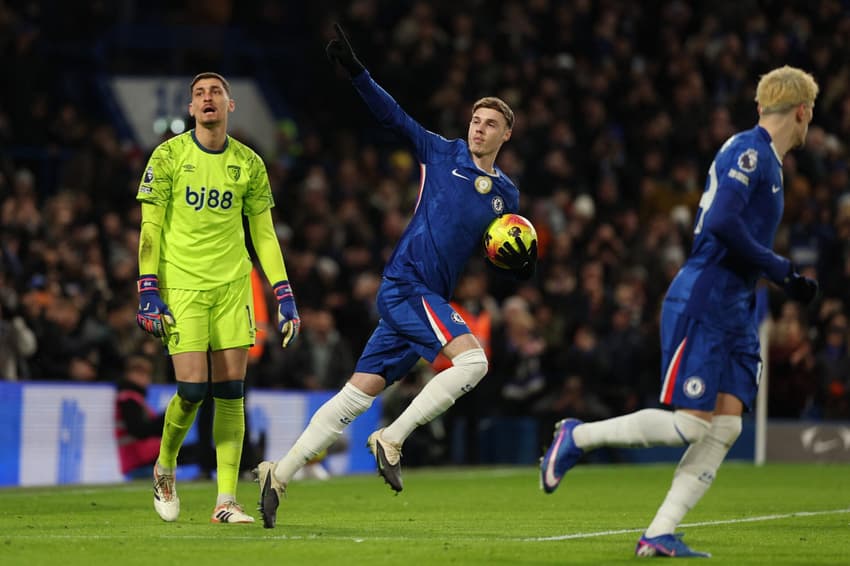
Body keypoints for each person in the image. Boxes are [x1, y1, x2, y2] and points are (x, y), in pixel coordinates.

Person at [253, 24, 537, 529]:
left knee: (354, 397)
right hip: (407, 286)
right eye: (475, 119)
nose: (479, 128)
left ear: (507, 135)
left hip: (425, 298)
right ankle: (393, 437)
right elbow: (392, 115)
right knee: (473, 362)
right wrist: (357, 71)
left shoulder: (506, 197)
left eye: (490, 123)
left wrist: (518, 264)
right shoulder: (438, 152)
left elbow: (496, 250)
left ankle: (279, 473)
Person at [540, 65, 820, 558]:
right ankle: (577, 435)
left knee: (728, 424)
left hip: (737, 306)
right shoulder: (749, 151)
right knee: (691, 423)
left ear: (762, 105)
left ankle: (659, 532)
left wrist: (776, 278)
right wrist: (781, 270)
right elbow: (721, 221)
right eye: (810, 114)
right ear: (803, 111)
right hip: (706, 296)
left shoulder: (771, 164)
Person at [135, 72, 300, 524]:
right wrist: (147, 286)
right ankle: (165, 464)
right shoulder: (168, 156)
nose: (207, 99)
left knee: (231, 393)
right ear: (191, 109)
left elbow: (263, 234)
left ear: (230, 106)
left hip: (232, 287)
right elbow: (150, 228)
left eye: (216, 93)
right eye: (199, 94)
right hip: (182, 285)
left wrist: (283, 293)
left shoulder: (249, 163)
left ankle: (226, 500)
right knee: (191, 391)